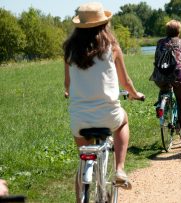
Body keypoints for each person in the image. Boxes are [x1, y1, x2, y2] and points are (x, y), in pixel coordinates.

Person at [63, 2, 144, 201]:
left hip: (80, 119)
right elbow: (125, 82)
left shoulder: (70, 51)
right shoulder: (112, 48)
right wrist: (134, 94)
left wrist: (70, 92)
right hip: (109, 114)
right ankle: (119, 170)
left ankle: (80, 197)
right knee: (123, 120)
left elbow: (67, 84)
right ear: (103, 24)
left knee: (82, 159)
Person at [150, 20, 181, 138]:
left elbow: (156, 59)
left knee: (164, 89)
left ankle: (161, 107)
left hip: (159, 76)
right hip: (177, 75)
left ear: (166, 31)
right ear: (179, 31)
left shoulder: (160, 42)